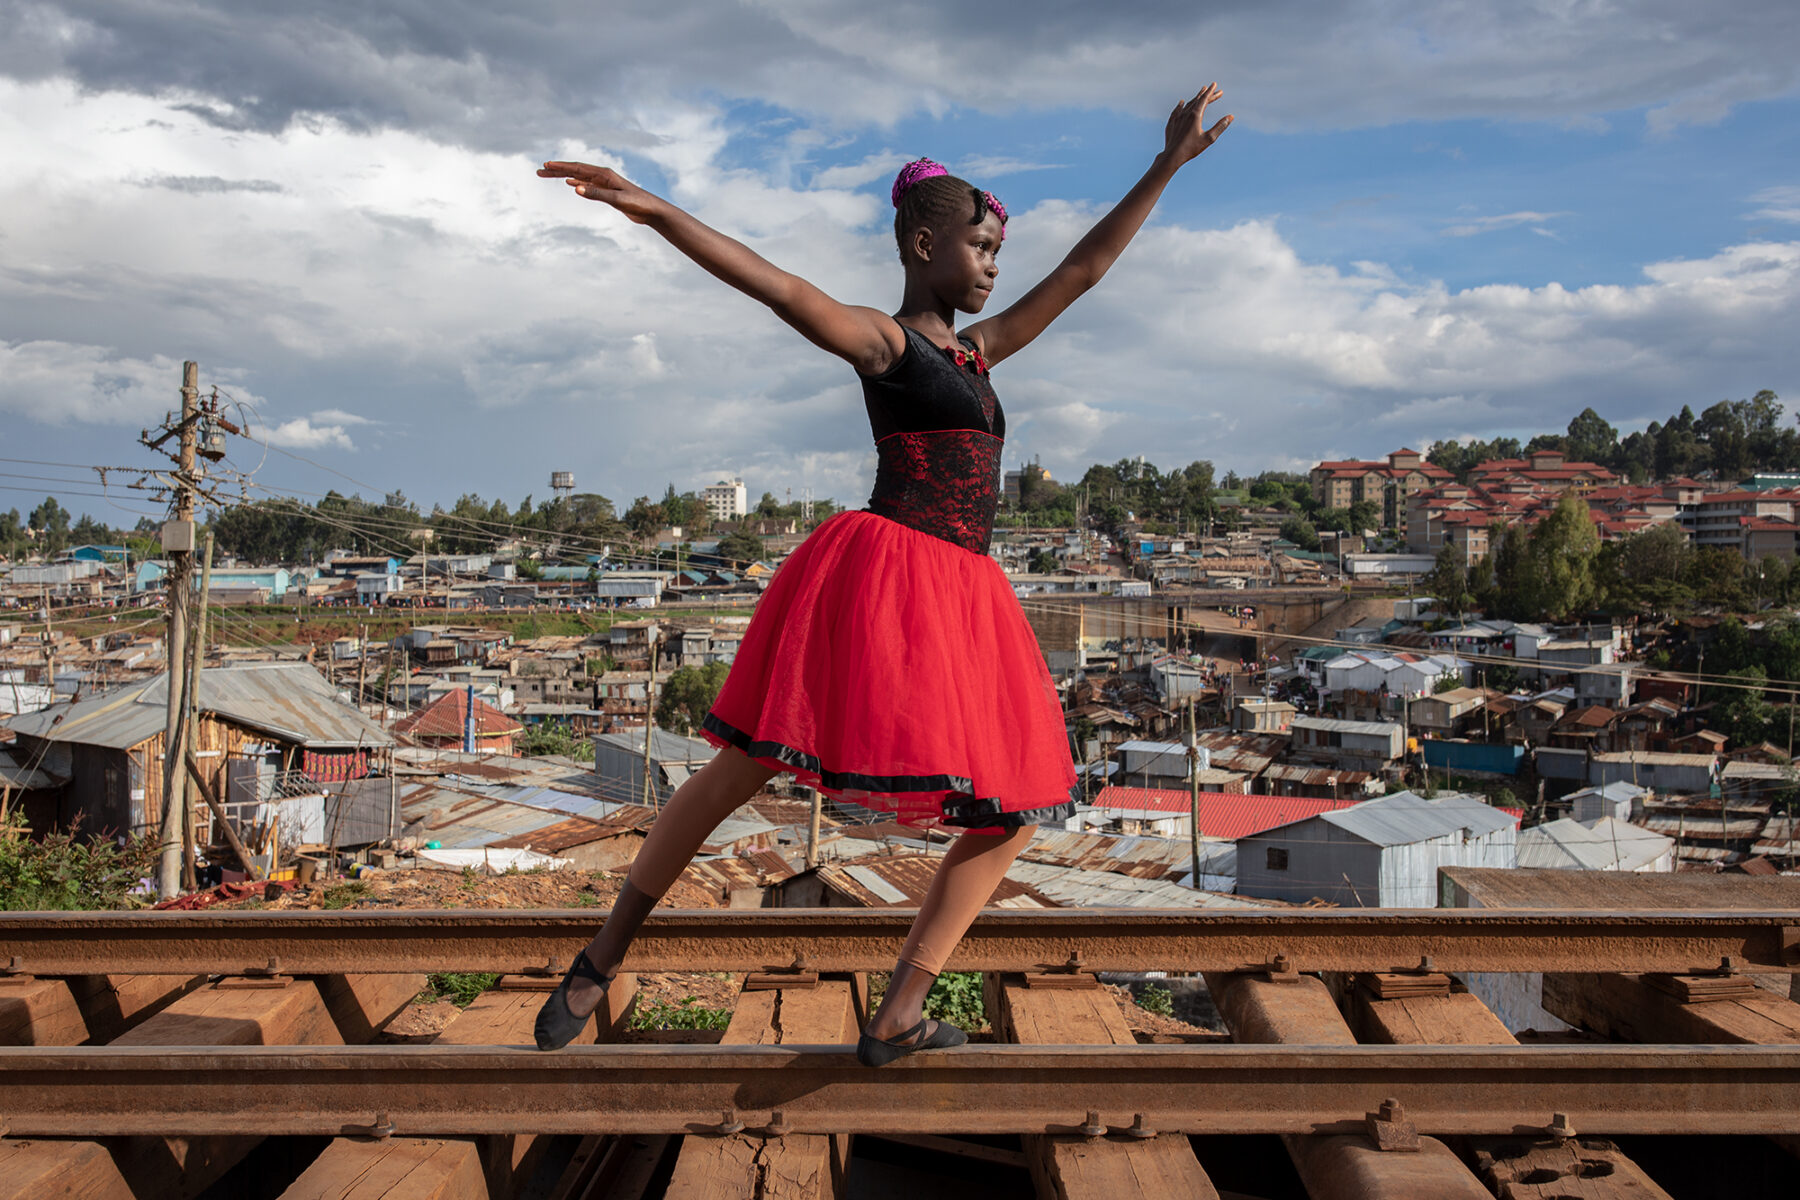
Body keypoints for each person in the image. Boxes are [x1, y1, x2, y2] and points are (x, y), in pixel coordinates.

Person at [532, 84, 1232, 1064]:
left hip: (964, 596)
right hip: (885, 579)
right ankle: (603, 954)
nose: (993, 268)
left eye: (998, 254)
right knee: (745, 766)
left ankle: (900, 1011)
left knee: (1016, 805)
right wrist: (654, 211)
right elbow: (780, 288)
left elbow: (1084, 270)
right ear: (923, 248)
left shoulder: (983, 355)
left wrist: (1167, 165)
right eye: (981, 249)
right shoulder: (886, 343)